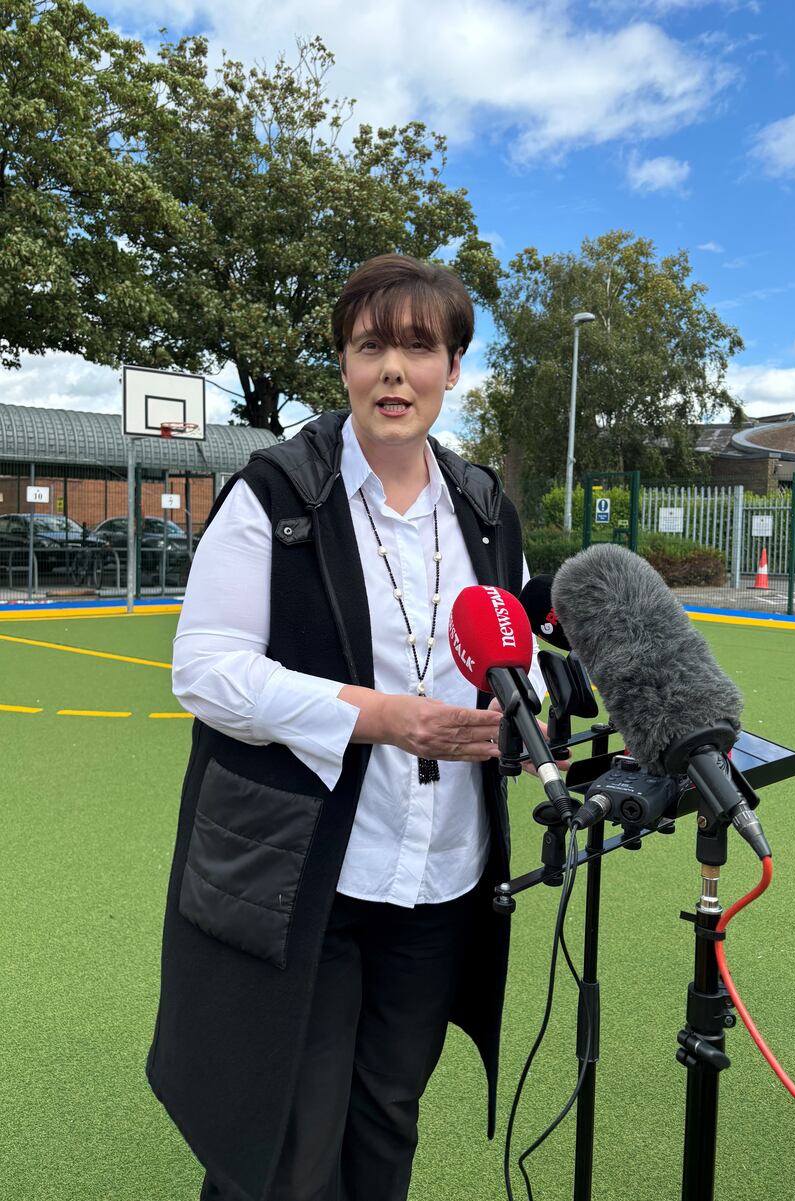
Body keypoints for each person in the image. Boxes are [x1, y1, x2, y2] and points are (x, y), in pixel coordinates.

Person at [146, 253, 557, 1201]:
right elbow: (206, 669)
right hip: (308, 873)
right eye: (372, 346)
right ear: (343, 363)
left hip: (440, 874)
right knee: (291, 1142)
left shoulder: (485, 508)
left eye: (419, 347)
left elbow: (512, 650)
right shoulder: (276, 493)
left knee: (387, 1118)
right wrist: (380, 718)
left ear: (453, 367)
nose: (394, 371)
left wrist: (516, 710)